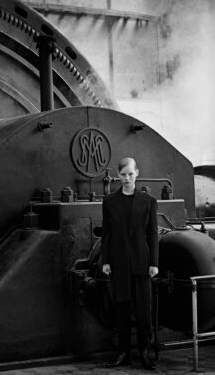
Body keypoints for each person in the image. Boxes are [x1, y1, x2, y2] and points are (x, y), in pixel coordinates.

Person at [101, 157, 158, 370]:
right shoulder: (109, 201)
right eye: (123, 174)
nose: (127, 178)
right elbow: (106, 234)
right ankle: (123, 352)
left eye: (130, 174)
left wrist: (154, 263)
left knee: (144, 309)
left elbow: (152, 234)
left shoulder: (149, 201)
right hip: (118, 263)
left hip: (142, 262)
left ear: (137, 173)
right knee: (122, 308)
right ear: (118, 175)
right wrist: (105, 261)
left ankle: (144, 352)